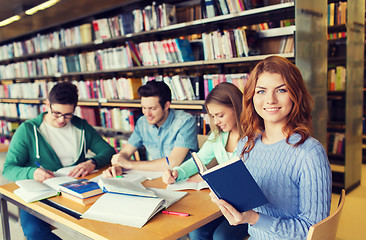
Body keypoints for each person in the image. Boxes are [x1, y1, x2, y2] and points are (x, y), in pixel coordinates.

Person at [210, 56, 332, 239]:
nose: (270, 100)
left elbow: (313, 231)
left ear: (295, 95)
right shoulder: (246, 145)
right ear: (251, 96)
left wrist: (253, 218)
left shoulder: (309, 153)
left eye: (281, 90)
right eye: (261, 91)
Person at [2, 81, 115, 240]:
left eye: (68, 114)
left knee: (108, 223)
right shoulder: (28, 130)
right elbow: (8, 169)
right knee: (34, 231)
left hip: (77, 191)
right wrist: (32, 172)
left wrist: (93, 162)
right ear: (47, 105)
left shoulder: (81, 126)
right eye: (56, 113)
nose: (62, 120)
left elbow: (109, 151)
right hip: (41, 195)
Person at [162, 82, 248, 240]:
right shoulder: (218, 137)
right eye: (213, 116)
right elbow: (199, 160)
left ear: (237, 108)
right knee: (196, 232)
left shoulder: (254, 138)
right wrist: (177, 172)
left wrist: (209, 177)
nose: (216, 122)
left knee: (221, 236)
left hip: (248, 208)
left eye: (220, 115)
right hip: (223, 204)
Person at [103, 80, 198, 177]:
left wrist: (129, 164)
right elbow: (126, 152)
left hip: (186, 178)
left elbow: (173, 163)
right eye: (144, 108)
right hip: (158, 177)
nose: (147, 114)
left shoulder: (186, 121)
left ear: (166, 105)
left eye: (152, 108)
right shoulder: (142, 122)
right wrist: (118, 165)